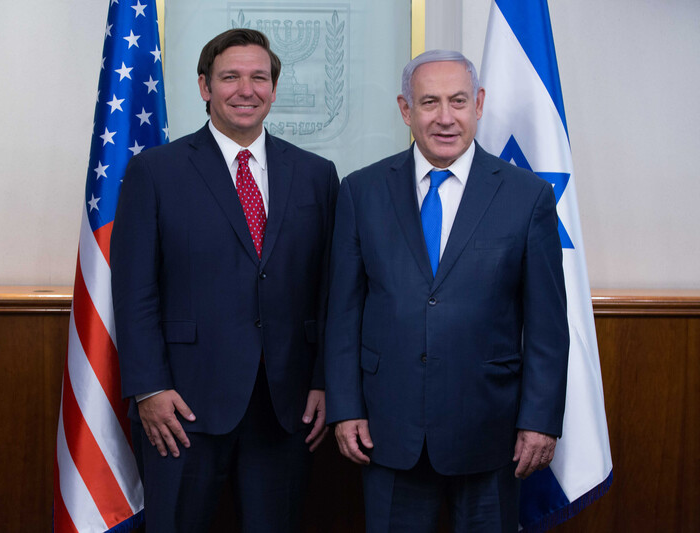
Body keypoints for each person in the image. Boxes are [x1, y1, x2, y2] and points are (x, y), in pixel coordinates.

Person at [324, 49, 569, 532]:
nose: (444, 117)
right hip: (388, 431)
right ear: (405, 109)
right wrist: (346, 407)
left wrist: (540, 419)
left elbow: (546, 325)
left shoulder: (527, 196)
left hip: (491, 432)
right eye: (429, 102)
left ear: (478, 103)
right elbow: (344, 313)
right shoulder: (361, 191)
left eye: (457, 101)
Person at [110, 28, 339, 532]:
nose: (245, 89)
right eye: (230, 76)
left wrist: (325, 380)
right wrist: (149, 388)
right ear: (204, 87)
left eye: (259, 77)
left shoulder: (317, 175)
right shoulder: (155, 171)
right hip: (182, 404)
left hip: (287, 405)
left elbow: (330, 292)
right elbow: (134, 290)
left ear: (274, 90)